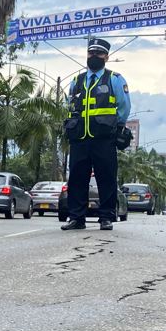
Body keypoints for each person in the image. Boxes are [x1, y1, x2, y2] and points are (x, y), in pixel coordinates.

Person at [61, 38, 131, 231]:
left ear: (106, 57)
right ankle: (76, 218)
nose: (94, 57)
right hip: (80, 138)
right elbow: (70, 106)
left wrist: (118, 127)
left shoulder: (114, 79)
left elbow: (124, 106)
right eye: (91, 53)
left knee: (106, 178)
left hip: (103, 138)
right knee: (77, 178)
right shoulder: (77, 80)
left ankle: (106, 217)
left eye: (98, 54)